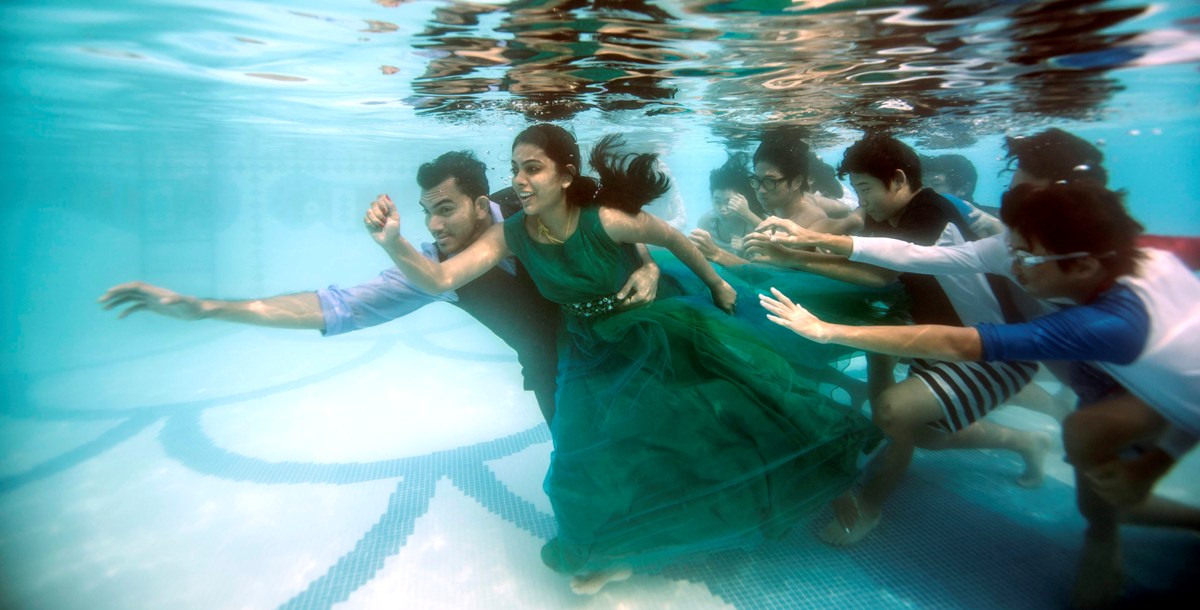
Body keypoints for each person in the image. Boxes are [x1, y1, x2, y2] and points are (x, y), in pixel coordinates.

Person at [365, 123, 881, 595]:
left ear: (566, 175)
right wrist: (394, 242)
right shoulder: (513, 233)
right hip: (586, 345)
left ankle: (830, 479)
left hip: (654, 326)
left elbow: (672, 238)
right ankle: (607, 552)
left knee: (742, 400)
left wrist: (719, 284)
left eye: (532, 168)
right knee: (579, 454)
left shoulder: (605, 219)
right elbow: (440, 278)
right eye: (515, 169)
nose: (519, 180)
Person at [760, 181, 1199, 610]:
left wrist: (828, 331)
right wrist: (811, 237)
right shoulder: (1126, 254)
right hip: (1145, 385)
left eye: (1026, 255)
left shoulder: (1110, 325)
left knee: (1107, 477)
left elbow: (960, 344)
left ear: (1083, 267)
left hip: (1174, 393)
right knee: (1091, 454)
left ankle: (1118, 532)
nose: (1013, 264)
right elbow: (920, 255)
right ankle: (1112, 530)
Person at [98, 150, 664, 424]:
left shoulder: (528, 203)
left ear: (479, 200)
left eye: (445, 210)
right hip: (557, 375)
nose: (434, 227)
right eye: (426, 213)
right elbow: (334, 307)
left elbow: (613, 217)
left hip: (625, 334)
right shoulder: (431, 271)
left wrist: (647, 264)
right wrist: (203, 309)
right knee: (585, 471)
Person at [744, 133, 1052, 547]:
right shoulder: (889, 215)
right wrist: (797, 248)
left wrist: (794, 254)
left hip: (995, 351)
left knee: (892, 411)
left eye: (865, 188)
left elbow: (880, 273)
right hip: (944, 344)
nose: (861, 200)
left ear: (900, 179)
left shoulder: (929, 212)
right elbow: (854, 252)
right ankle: (1027, 441)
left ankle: (868, 508)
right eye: (856, 190)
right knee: (926, 434)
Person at [690, 130, 854, 267]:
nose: (761, 190)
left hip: (836, 213)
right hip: (818, 198)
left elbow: (782, 261)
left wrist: (745, 216)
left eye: (769, 181)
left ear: (796, 182)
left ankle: (819, 168)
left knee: (842, 206)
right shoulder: (778, 202)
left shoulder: (811, 219)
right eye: (757, 180)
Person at [692, 153, 764, 256]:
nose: (722, 208)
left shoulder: (754, 224)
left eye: (729, 201)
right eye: (717, 201)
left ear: (743, 199)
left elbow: (764, 268)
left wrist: (743, 252)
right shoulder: (706, 222)